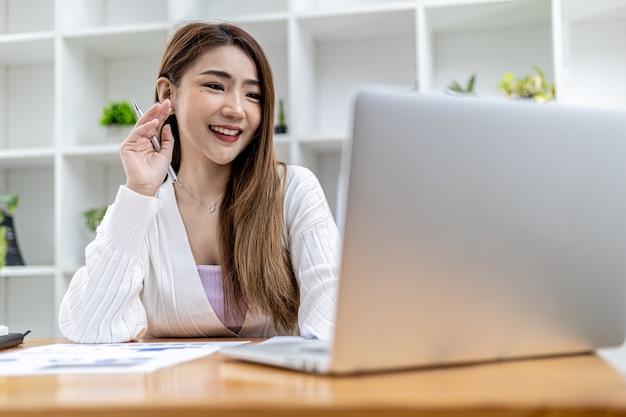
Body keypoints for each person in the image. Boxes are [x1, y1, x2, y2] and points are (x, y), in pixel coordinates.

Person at [58, 20, 341, 343]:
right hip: (170, 393)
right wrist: (138, 191)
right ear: (168, 94)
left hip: (272, 392)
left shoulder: (293, 190)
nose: (236, 109)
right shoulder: (143, 207)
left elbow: (332, 319)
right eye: (216, 86)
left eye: (252, 95)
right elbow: (89, 328)